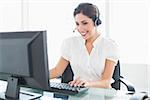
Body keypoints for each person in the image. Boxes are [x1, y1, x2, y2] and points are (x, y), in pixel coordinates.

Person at [50, 3, 119, 88]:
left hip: (102, 95)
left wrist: (87, 84)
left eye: (85, 23)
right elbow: (57, 71)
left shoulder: (109, 46)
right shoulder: (70, 43)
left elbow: (106, 82)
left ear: (96, 22)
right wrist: (34, 78)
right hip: (78, 94)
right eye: (77, 24)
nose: (80, 29)